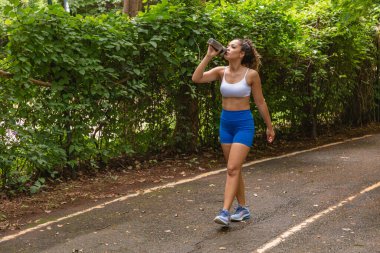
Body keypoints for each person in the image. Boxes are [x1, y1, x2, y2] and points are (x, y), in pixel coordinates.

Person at [192, 38, 275, 226]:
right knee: (234, 168)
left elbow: (260, 102)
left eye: (232, 47)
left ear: (242, 53)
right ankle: (243, 208)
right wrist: (207, 56)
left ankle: (224, 212)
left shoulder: (251, 75)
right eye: (227, 46)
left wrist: (269, 127)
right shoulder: (221, 71)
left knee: (231, 169)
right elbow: (196, 79)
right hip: (225, 124)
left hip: (243, 125)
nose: (227, 49)